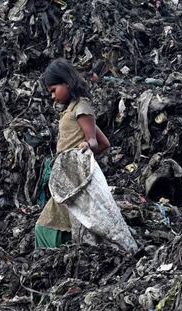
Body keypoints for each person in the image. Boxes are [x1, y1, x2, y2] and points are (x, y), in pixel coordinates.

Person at [35, 58, 110, 249]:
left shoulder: (81, 107)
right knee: (69, 223)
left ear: (66, 82)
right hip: (68, 175)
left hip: (72, 178)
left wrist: (84, 150)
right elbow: (104, 143)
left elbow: (94, 141)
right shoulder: (74, 109)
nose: (52, 96)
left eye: (54, 90)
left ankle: (52, 257)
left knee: (47, 225)